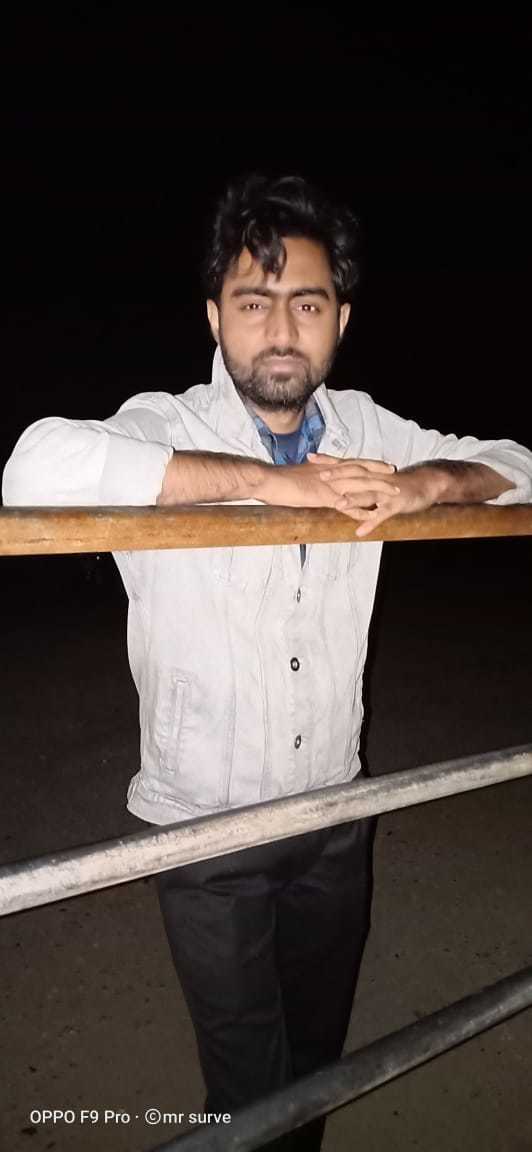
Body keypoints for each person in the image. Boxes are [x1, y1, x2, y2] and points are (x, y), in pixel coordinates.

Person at [3, 174, 532, 1151]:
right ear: (214, 317)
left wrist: (428, 482)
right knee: (248, 1091)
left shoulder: (369, 434)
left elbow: (518, 462)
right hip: (204, 831)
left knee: (319, 1064)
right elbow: (32, 469)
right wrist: (270, 486)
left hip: (335, 813)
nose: (281, 329)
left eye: (308, 303)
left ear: (340, 320)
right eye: (254, 301)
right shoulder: (168, 426)